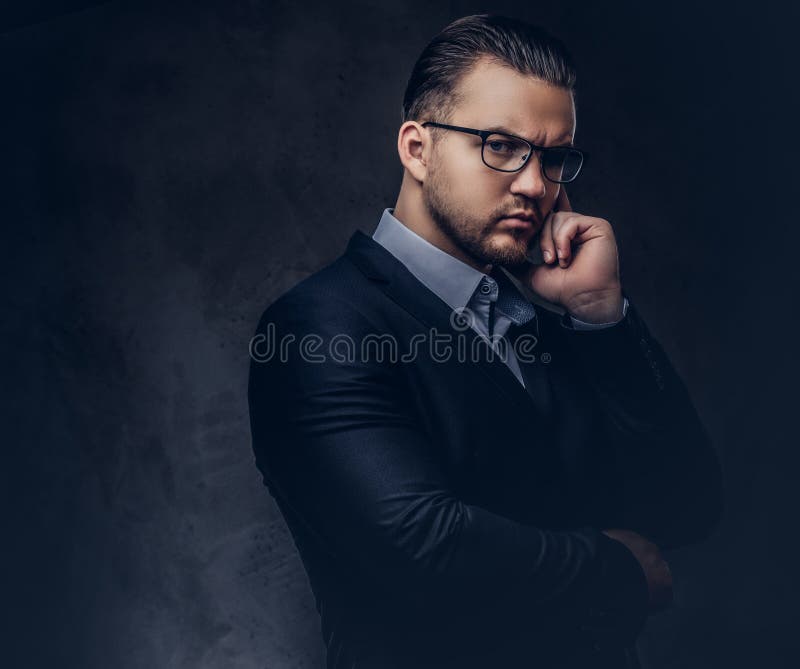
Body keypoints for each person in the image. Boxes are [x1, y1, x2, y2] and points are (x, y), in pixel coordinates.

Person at [247, 13, 723, 669]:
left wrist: (600, 317)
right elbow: (421, 547)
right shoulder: (320, 326)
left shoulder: (552, 321)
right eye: (500, 145)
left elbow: (688, 504)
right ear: (417, 149)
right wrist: (617, 569)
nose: (536, 183)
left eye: (554, 157)